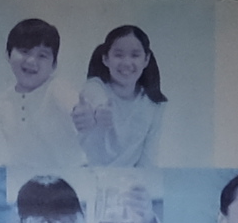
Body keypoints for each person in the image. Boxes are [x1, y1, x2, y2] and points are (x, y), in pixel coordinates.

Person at [68, 22, 167, 169]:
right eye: (118, 55)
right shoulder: (95, 87)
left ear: (146, 59)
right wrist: (99, 111)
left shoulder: (154, 104)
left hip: (129, 180)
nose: (126, 62)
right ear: (105, 59)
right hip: (89, 176)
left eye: (135, 55)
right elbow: (95, 96)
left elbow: (148, 159)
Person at [0, 17, 75, 176]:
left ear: (54, 65)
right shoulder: (3, 101)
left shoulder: (56, 88)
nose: (31, 61)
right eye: (24, 51)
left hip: (69, 176)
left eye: (42, 55)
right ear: (8, 54)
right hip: (27, 178)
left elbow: (76, 109)